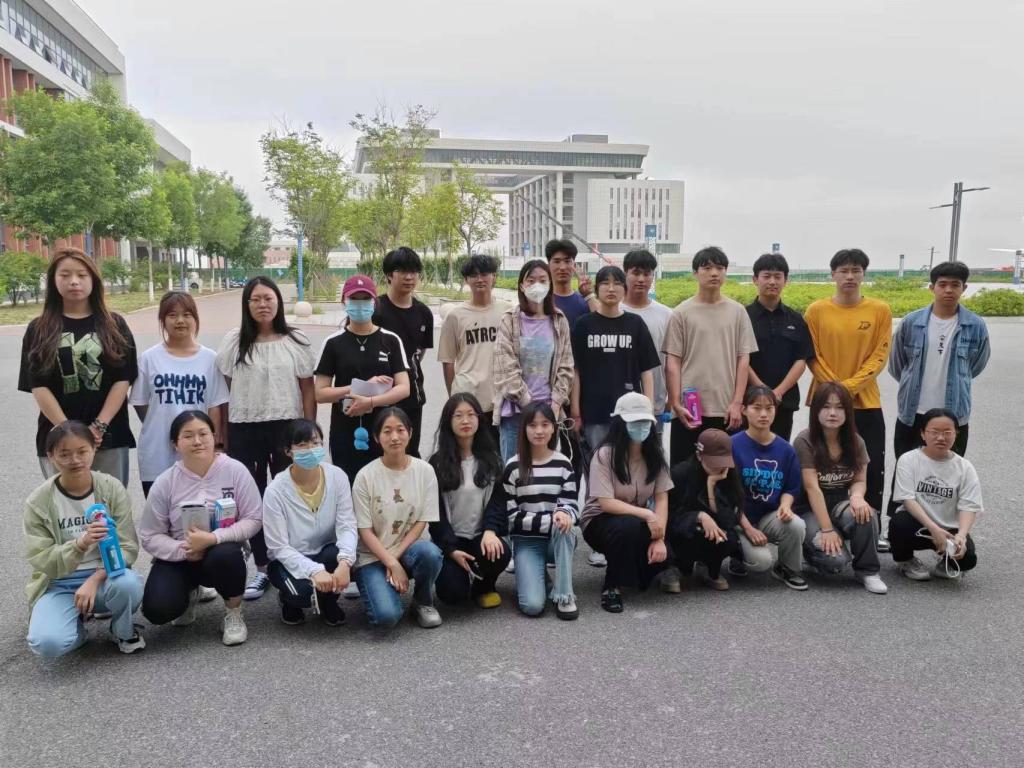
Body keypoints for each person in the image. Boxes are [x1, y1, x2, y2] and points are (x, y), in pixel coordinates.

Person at [216, 276, 316, 600]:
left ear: (278, 302)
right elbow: (224, 391)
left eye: (268, 298)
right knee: (253, 497)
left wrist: (310, 430)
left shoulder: (295, 339)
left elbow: (307, 388)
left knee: (289, 494)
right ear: (247, 304)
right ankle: (262, 567)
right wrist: (222, 435)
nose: (262, 304)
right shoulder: (234, 341)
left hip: (288, 427)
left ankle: (292, 562)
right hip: (245, 427)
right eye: (256, 299)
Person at [139, 411, 262, 646]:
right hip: (180, 555)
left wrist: (214, 538)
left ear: (214, 436)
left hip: (221, 552)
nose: (197, 441)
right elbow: (150, 535)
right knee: (158, 610)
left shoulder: (235, 470)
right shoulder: (165, 482)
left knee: (226, 554)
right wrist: (183, 549)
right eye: (188, 436)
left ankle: (233, 612)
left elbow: (254, 518)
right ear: (175, 444)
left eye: (203, 434)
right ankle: (189, 593)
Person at [24, 421, 145, 657]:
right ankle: (77, 630)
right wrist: (80, 544)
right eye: (65, 454)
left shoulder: (110, 488)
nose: (75, 460)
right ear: (51, 456)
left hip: (106, 576)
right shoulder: (39, 501)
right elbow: (40, 557)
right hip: (59, 582)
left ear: (94, 449)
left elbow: (127, 547)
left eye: (82, 451)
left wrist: (96, 578)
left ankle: (122, 630)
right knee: (46, 644)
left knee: (128, 584)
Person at [19, 248, 138, 486]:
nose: (74, 281)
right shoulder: (39, 329)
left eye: (82, 275)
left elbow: (123, 378)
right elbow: (38, 385)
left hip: (108, 437)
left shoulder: (114, 324)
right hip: (59, 440)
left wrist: (99, 426)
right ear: (53, 280)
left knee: (108, 504)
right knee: (65, 506)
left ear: (93, 279)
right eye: (65, 275)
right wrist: (68, 431)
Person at [887, 261, 989, 516]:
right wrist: (911, 385)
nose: (948, 290)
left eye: (955, 285)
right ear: (932, 287)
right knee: (905, 468)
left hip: (953, 416)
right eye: (942, 284)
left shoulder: (975, 325)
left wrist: (958, 381)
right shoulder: (911, 322)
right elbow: (897, 365)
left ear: (964, 288)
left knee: (947, 474)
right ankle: (898, 527)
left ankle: (944, 525)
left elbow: (976, 365)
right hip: (913, 413)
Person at [804, 249, 891, 541]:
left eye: (856, 270)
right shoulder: (816, 311)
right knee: (821, 465)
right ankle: (823, 526)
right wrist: (835, 392)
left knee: (870, 465)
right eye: (844, 271)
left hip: (866, 402)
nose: (850, 276)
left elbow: (880, 356)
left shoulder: (879, 310)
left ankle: (872, 529)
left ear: (864, 273)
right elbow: (812, 356)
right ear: (833, 274)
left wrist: (847, 388)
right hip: (823, 402)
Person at [663, 246, 758, 466]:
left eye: (720, 268)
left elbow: (743, 359)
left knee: (725, 471)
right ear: (695, 273)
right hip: (689, 409)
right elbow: (673, 362)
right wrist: (675, 403)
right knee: (684, 470)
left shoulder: (738, 312)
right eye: (707, 268)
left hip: (726, 408)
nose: (714, 273)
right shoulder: (681, 313)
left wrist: (737, 402)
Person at [580, 393, 673, 613]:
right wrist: (648, 515)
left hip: (636, 519)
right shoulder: (604, 455)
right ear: (620, 423)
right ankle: (611, 586)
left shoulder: (655, 455)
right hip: (600, 521)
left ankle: (630, 571)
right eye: (634, 422)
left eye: (645, 422)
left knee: (667, 554)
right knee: (627, 528)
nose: (641, 427)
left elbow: (662, 498)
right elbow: (606, 503)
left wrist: (659, 538)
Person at [352, 407, 444, 630]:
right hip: (372, 556)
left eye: (400, 430)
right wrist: (391, 562)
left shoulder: (425, 470)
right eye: (387, 431)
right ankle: (383, 588)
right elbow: (364, 530)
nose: (394, 437)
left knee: (430, 553)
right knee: (387, 617)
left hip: (407, 549)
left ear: (410, 433)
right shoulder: (365, 476)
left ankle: (422, 602)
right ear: (376, 437)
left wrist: (395, 557)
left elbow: (422, 521)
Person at [315, 275, 411, 485]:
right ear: (344, 302)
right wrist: (356, 388)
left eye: (365, 299)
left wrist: (370, 402)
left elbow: (404, 388)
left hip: (384, 429)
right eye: (354, 299)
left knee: (386, 487)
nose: (360, 304)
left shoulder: (390, 340)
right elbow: (320, 393)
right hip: (344, 430)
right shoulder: (333, 343)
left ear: (374, 302)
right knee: (349, 485)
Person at [131, 291, 229, 498]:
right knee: (160, 512)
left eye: (187, 314)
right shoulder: (149, 359)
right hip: (157, 452)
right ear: (162, 320)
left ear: (195, 318)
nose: (180, 321)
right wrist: (159, 420)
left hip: (198, 451)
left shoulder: (210, 359)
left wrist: (214, 445)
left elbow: (214, 406)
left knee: (200, 511)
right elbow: (140, 403)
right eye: (172, 315)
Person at [793, 382, 887, 594]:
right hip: (809, 508)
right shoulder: (804, 441)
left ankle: (868, 571)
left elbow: (859, 479)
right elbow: (812, 488)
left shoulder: (856, 441)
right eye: (826, 407)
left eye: (839, 407)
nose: (832, 413)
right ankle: (809, 550)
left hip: (839, 503)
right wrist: (826, 530)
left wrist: (857, 497)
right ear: (816, 410)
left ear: (848, 412)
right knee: (835, 562)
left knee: (866, 514)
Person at [262, 419, 356, 627]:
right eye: (302, 445)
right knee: (302, 593)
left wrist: (345, 563)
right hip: (288, 559)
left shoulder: (337, 476)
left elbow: (347, 525)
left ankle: (328, 601)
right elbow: (279, 547)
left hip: (326, 550)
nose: (311, 450)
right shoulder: (275, 491)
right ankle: (288, 601)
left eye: (315, 443)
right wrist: (314, 570)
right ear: (288, 451)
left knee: (348, 559)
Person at [496, 401, 580, 619]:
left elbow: (572, 506)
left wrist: (564, 514)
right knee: (532, 606)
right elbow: (511, 517)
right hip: (527, 541)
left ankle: (564, 595)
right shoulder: (513, 466)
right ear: (524, 429)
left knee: (566, 527)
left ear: (553, 428)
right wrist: (552, 519)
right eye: (532, 425)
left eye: (545, 424)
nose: (539, 431)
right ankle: (535, 573)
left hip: (557, 539)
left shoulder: (563, 464)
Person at [428, 393, 510, 608]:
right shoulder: (437, 464)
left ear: (479, 419)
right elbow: (434, 514)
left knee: (501, 552)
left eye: (471, 415)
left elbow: (498, 502)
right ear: (448, 421)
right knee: (452, 594)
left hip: (480, 537)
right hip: (452, 539)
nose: (465, 421)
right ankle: (459, 576)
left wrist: (491, 531)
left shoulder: (492, 459)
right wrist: (450, 549)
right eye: (458, 416)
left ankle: (484, 586)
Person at [570, 265, 659, 461]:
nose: (611, 289)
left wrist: (648, 409)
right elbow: (575, 370)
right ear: (596, 289)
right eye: (605, 283)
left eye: (617, 284)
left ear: (624, 290)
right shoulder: (583, 325)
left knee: (628, 465)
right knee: (597, 465)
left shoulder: (635, 324)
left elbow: (646, 372)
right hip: (594, 413)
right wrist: (575, 411)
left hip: (631, 414)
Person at [493, 259, 574, 463]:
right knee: (514, 472)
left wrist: (554, 406)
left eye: (542, 280)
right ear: (522, 286)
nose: (537, 285)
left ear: (550, 284)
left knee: (545, 472)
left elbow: (566, 366)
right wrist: (528, 405)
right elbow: (506, 367)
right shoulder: (509, 320)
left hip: (549, 414)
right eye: (531, 280)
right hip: (515, 414)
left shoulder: (559, 321)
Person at [889, 409, 982, 581]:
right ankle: (905, 560)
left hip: (949, 529)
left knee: (968, 559)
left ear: (956, 434)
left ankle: (945, 562)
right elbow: (908, 499)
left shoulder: (965, 467)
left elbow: (969, 506)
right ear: (923, 434)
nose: (941, 438)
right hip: (918, 525)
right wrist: (933, 528)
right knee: (898, 525)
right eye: (934, 432)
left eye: (947, 432)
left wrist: (961, 536)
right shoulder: (908, 459)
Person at [730, 385, 807, 590]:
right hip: (738, 518)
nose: (763, 414)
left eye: (769, 408)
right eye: (757, 408)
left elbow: (791, 488)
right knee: (761, 562)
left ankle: (788, 568)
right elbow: (727, 495)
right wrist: (747, 528)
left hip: (767, 516)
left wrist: (786, 505)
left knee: (796, 524)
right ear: (744, 410)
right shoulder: (733, 445)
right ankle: (737, 554)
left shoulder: (786, 450)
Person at [373, 247, 435, 458]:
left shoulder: (424, 313)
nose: (409, 277)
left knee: (409, 452)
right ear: (389, 275)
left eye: (414, 271)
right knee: (379, 453)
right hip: (378, 396)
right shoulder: (376, 310)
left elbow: (419, 353)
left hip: (412, 395)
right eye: (402, 271)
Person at [745, 253, 814, 441]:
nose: (772, 281)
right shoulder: (743, 316)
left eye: (778, 276)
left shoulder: (795, 319)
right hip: (749, 400)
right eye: (766, 276)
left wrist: (778, 392)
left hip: (784, 402)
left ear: (786, 280)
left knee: (779, 448)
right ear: (755, 279)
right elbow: (740, 357)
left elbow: (801, 359)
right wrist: (762, 390)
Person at [437, 254, 509, 432]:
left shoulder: (508, 312)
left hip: (502, 399)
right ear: (466, 280)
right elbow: (448, 361)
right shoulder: (455, 316)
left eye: (485, 274)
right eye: (473, 275)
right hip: (469, 398)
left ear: (494, 276)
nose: (479, 279)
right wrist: (455, 398)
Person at [666, 430, 743, 592]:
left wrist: (711, 485)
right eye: (713, 462)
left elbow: (729, 520)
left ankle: (708, 567)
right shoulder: (680, 474)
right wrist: (698, 516)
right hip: (681, 532)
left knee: (729, 538)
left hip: (710, 532)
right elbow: (668, 518)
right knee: (680, 537)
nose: (719, 467)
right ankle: (671, 568)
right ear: (699, 455)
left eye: (723, 461)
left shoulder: (728, 474)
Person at [621, 249, 674, 424]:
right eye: (636, 273)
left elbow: (671, 362)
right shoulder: (614, 311)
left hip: (656, 406)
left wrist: (671, 399)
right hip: (618, 405)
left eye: (647, 273)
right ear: (625, 274)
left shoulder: (666, 315)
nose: (641, 279)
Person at [545, 238, 597, 328]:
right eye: (557, 261)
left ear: (574, 264)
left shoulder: (586, 301)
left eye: (567, 261)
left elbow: (602, 324)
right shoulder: (542, 302)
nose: (562, 267)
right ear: (548, 265)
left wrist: (589, 295)